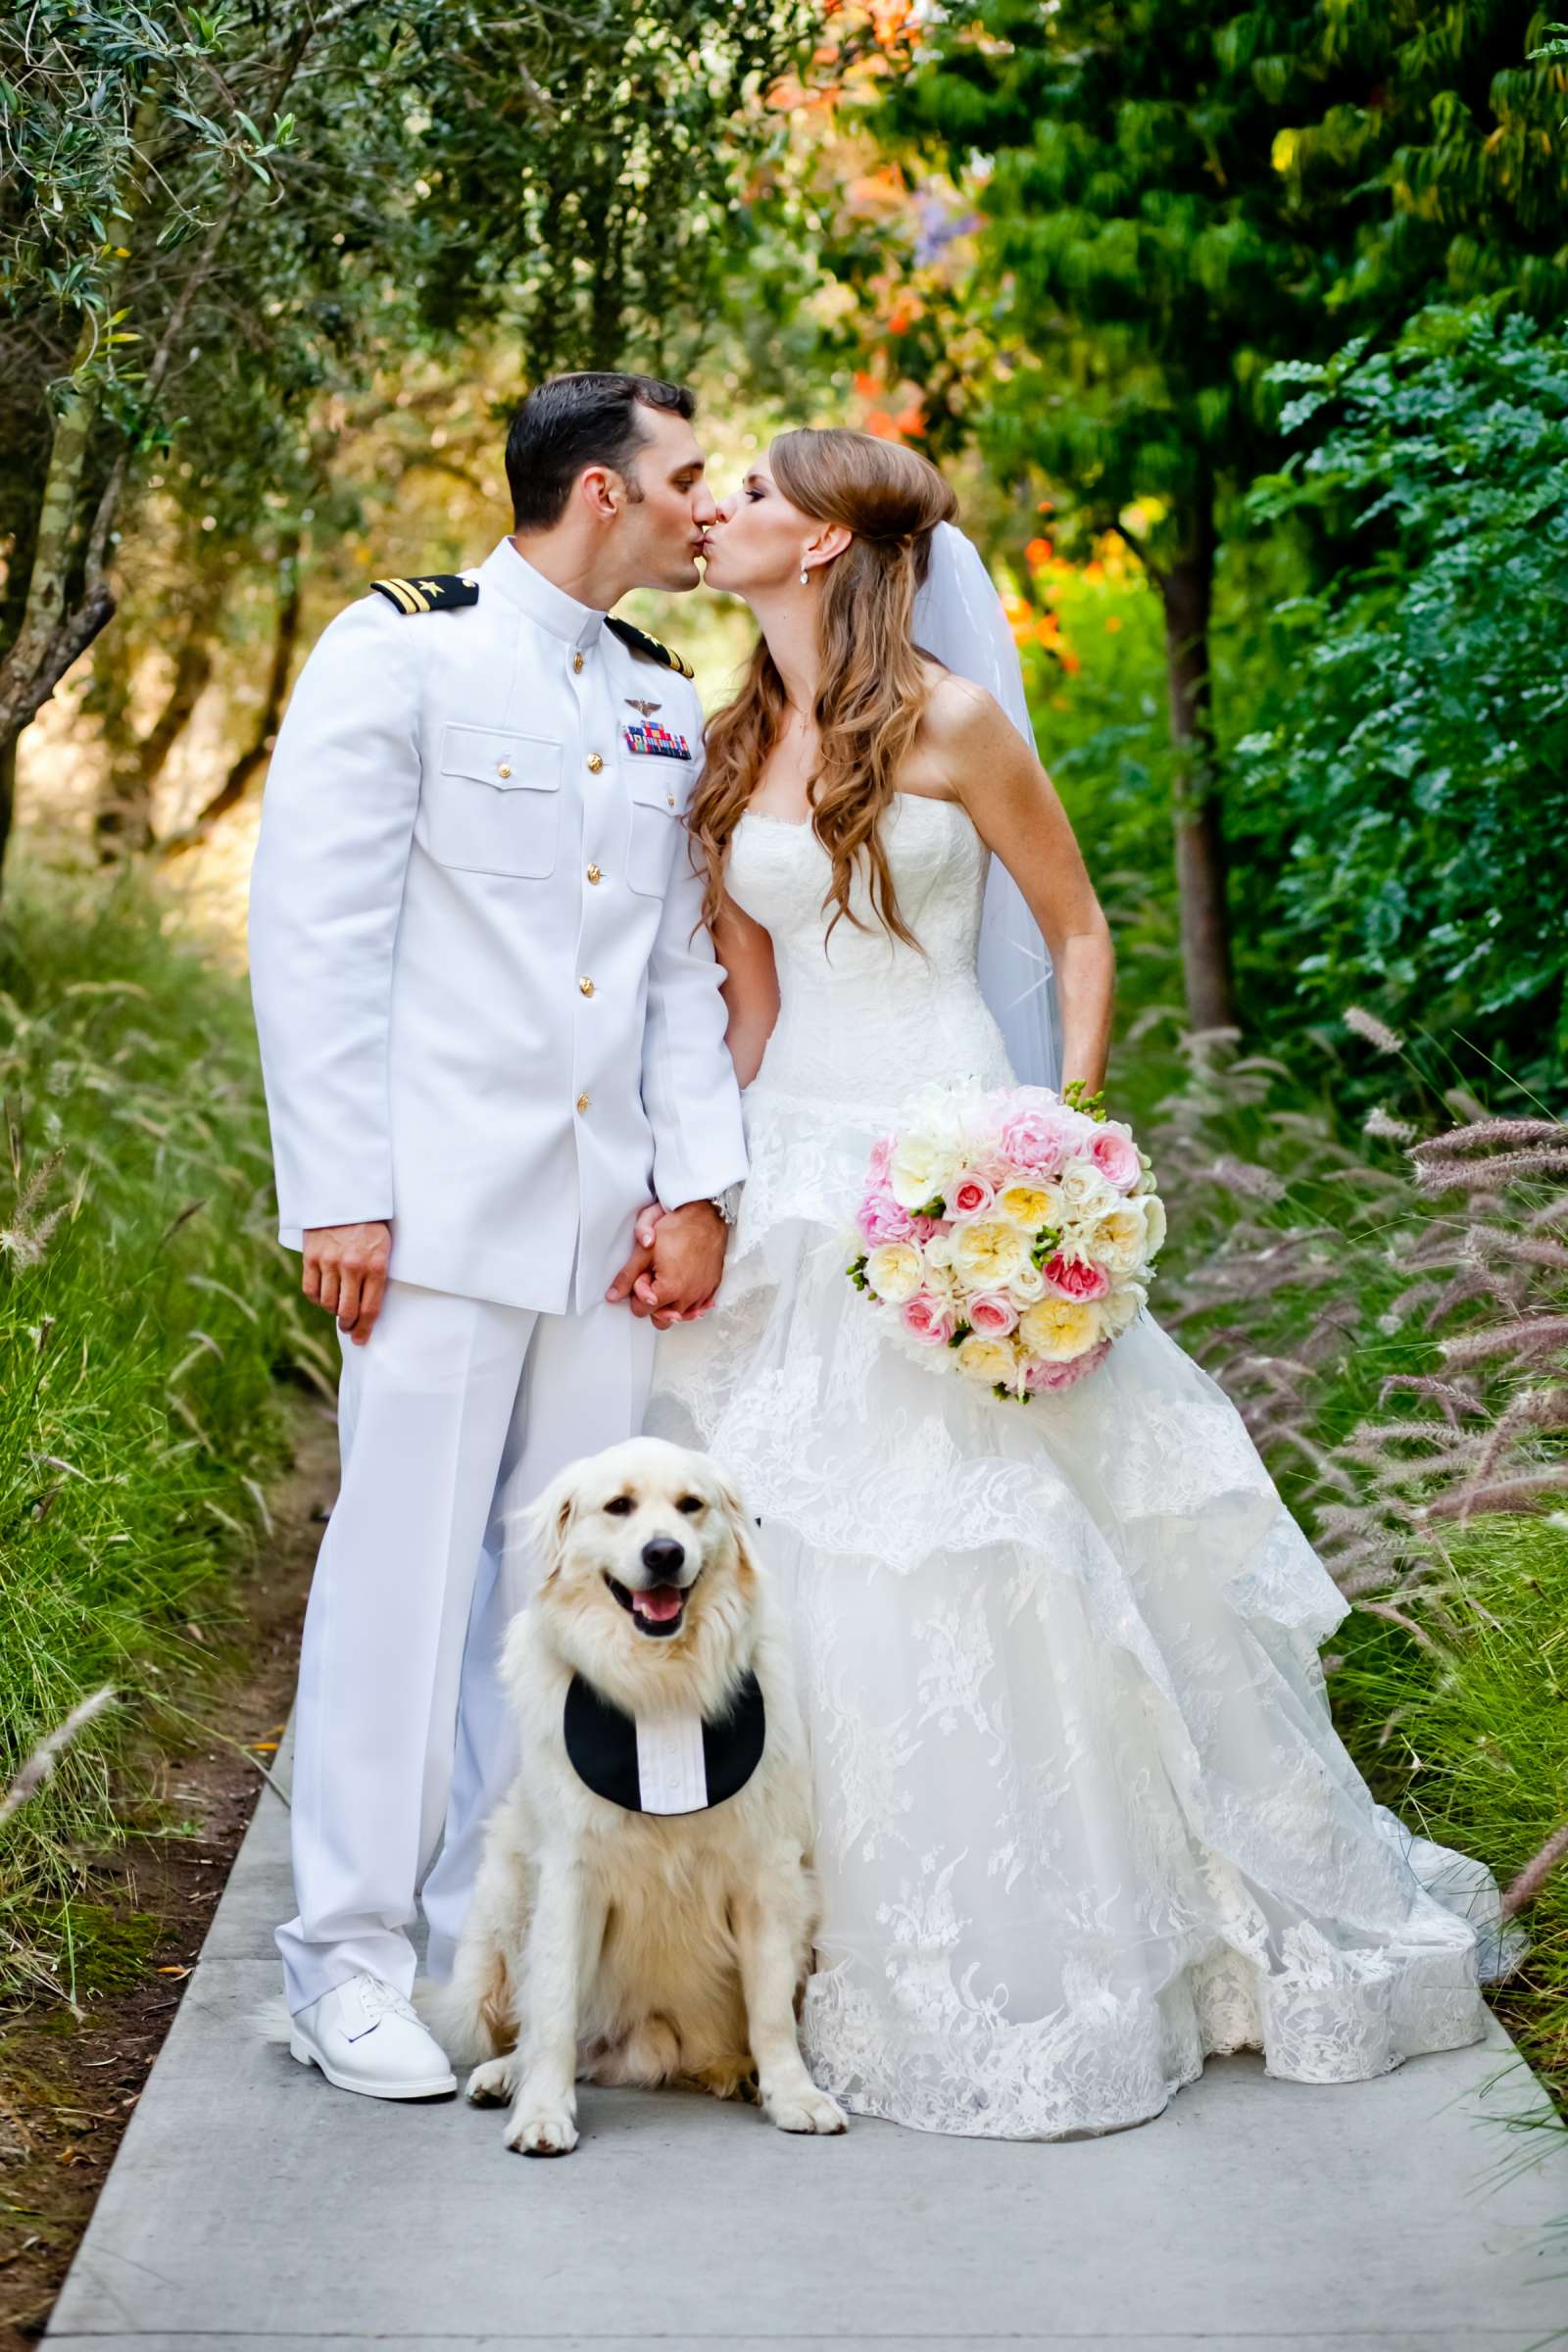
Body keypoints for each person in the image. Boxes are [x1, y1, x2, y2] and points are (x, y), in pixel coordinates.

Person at [646, 426, 1519, 2141]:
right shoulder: (737, 729)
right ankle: (796, 1968)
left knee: (1005, 1546)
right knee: (800, 1553)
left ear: (825, 545)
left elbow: (1079, 933)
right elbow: (744, 1005)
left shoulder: (957, 724)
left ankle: (1090, 1941)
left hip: (954, 1155)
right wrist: (712, 1195)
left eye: (753, 494)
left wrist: (1055, 1147)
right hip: (802, 1177)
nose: (719, 511)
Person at [248, 371, 746, 2099]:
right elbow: (314, 932)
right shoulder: (402, 651)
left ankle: (486, 1954)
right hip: (438, 1221)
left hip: (605, 1234)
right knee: (393, 1587)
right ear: (601, 493)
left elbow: (677, 967)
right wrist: (340, 1193)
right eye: (688, 476)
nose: (710, 500)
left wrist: (697, 1190)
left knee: (552, 1608)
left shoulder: (664, 692)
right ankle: (345, 1962)